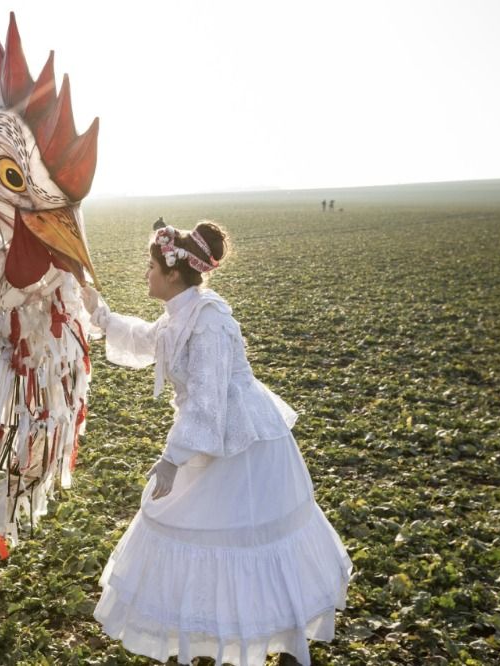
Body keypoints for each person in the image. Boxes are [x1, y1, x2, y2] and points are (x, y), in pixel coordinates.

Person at [82, 221, 351, 666]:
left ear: (173, 273)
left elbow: (209, 403)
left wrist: (172, 459)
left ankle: (283, 640)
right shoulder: (180, 314)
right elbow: (146, 340)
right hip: (209, 436)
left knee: (248, 539)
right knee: (207, 536)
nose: (146, 274)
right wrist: (100, 313)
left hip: (244, 445)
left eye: (151, 267)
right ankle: (214, 638)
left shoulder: (208, 321)